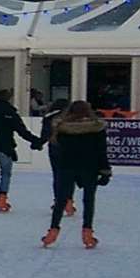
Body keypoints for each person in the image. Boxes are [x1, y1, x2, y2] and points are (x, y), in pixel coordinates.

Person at [44, 102, 110, 248]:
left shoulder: (61, 128)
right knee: (88, 200)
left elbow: (57, 149)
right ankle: (87, 233)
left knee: (61, 200)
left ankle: (53, 230)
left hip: (67, 167)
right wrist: (105, 170)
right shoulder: (96, 128)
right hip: (90, 167)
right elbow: (101, 150)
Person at [0, 88, 43, 212]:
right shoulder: (11, 113)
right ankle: (2, 200)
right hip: (5, 147)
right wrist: (36, 140)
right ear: (9, 98)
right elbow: (22, 131)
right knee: (5, 174)